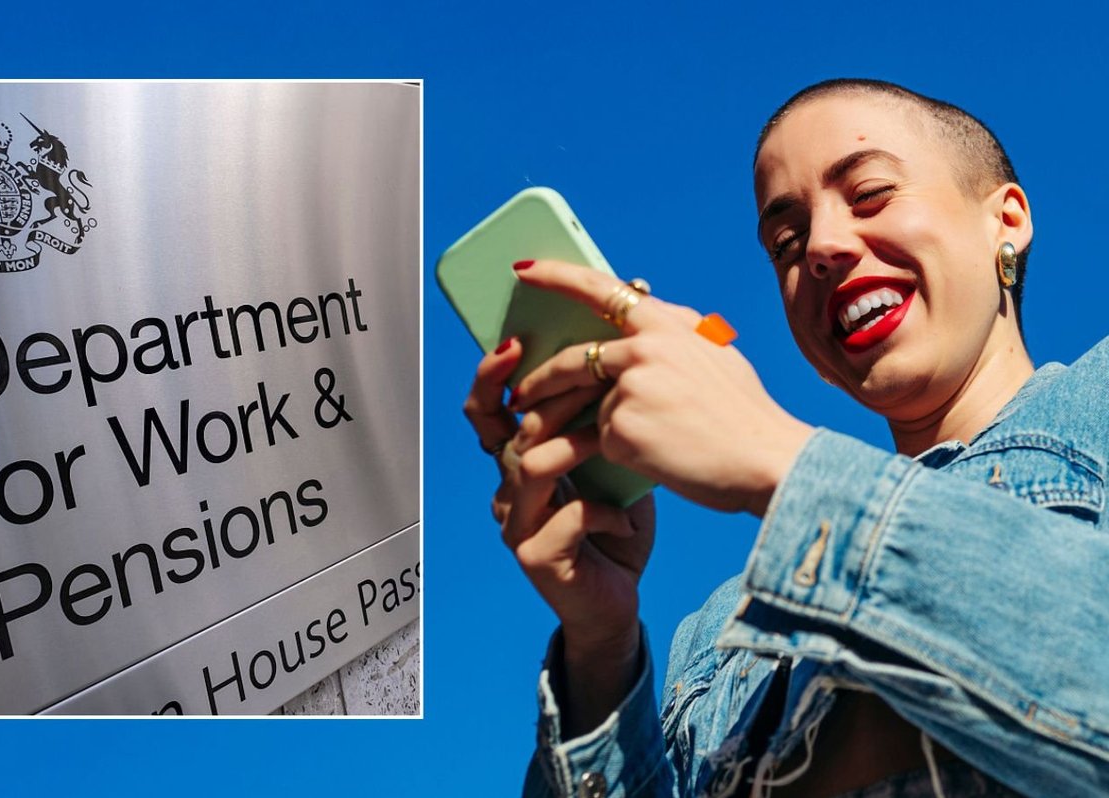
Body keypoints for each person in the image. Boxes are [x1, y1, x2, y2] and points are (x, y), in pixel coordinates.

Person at [463, 79, 1109, 798]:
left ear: (1007, 220)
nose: (824, 248)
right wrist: (600, 647)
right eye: (786, 241)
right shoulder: (716, 636)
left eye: (869, 194)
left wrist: (786, 466)